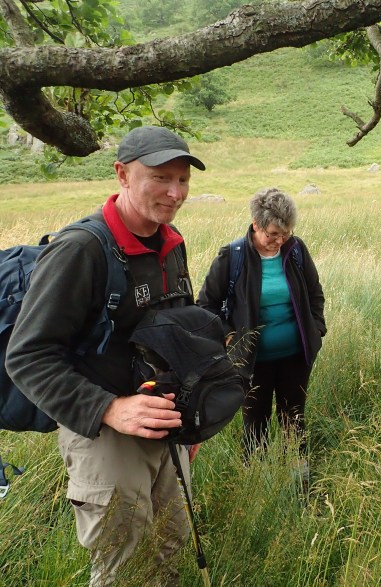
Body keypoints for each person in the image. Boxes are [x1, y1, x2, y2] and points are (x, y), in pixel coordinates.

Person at [6, 126, 205, 585]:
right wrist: (110, 409)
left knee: (169, 551)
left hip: (165, 426)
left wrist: (190, 418)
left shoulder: (170, 243)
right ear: (122, 174)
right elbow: (27, 356)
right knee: (124, 567)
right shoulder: (80, 250)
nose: (175, 192)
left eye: (183, 180)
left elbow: (176, 335)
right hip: (105, 438)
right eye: (160, 177)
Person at [197, 188, 326, 468]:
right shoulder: (232, 257)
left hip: (296, 357)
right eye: (272, 234)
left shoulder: (296, 250)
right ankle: (256, 483)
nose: (279, 241)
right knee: (255, 424)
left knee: (294, 419)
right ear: (256, 225)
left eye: (285, 234)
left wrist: (316, 330)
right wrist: (230, 336)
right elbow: (206, 305)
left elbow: (315, 293)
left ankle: (298, 483)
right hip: (252, 362)